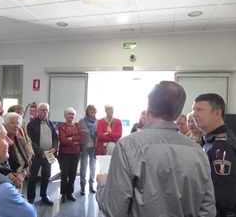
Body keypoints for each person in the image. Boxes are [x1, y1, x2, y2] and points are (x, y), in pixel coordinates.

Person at [96, 81, 216, 217]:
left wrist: (102, 184)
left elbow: (114, 210)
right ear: (179, 113)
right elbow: (208, 210)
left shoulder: (127, 146)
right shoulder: (199, 152)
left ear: (149, 106)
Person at [192, 93, 236, 217]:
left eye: (199, 109)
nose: (194, 114)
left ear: (217, 114)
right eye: (193, 109)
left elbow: (224, 199)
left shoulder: (221, 146)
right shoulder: (211, 141)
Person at [26, 102, 58, 206]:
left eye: (46, 110)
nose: (45, 112)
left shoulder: (51, 124)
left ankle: (44, 195)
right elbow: (30, 141)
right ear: (38, 111)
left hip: (49, 155)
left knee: (46, 176)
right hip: (37, 156)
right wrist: (40, 152)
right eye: (43, 110)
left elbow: (55, 138)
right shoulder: (31, 125)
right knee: (33, 178)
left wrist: (54, 148)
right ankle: (30, 199)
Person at [58, 107, 84, 203]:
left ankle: (70, 192)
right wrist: (75, 141)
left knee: (73, 173)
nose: (71, 116)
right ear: (65, 115)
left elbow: (81, 137)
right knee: (64, 174)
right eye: (69, 114)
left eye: (73, 114)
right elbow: (63, 140)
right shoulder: (62, 126)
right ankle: (64, 194)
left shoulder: (77, 125)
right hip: (64, 153)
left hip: (75, 153)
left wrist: (71, 138)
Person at [3, 112, 30, 192]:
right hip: (7, 181)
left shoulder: (20, 140)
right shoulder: (2, 141)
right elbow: (0, 164)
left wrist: (23, 174)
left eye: (18, 123)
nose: (16, 126)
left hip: (20, 179)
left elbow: (27, 161)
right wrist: (14, 178)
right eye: (12, 123)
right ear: (5, 124)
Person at [78, 104, 97, 195]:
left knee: (93, 167)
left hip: (94, 147)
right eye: (90, 110)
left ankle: (91, 185)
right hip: (84, 147)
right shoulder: (81, 121)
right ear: (87, 111)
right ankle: (82, 186)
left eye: (93, 110)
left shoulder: (98, 121)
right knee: (83, 167)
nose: (92, 111)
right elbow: (78, 133)